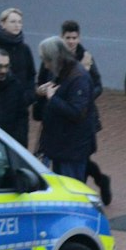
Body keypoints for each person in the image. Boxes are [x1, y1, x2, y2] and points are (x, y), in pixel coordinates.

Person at [35, 35, 98, 180]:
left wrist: (53, 99)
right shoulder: (62, 73)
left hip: (72, 150)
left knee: (70, 187)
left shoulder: (78, 78)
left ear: (54, 59)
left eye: (46, 60)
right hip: (62, 147)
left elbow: (77, 112)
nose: (45, 65)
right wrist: (41, 93)